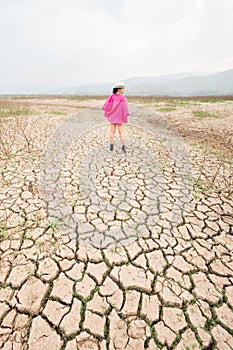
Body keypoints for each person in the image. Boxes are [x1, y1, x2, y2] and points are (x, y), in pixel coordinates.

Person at [102, 81, 129, 153]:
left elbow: (107, 106)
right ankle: (123, 146)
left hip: (112, 117)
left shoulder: (112, 97)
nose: (124, 90)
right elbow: (125, 108)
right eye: (123, 88)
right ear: (119, 89)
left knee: (112, 132)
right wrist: (124, 116)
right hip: (119, 118)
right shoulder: (123, 98)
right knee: (122, 133)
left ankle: (111, 145)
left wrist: (110, 112)